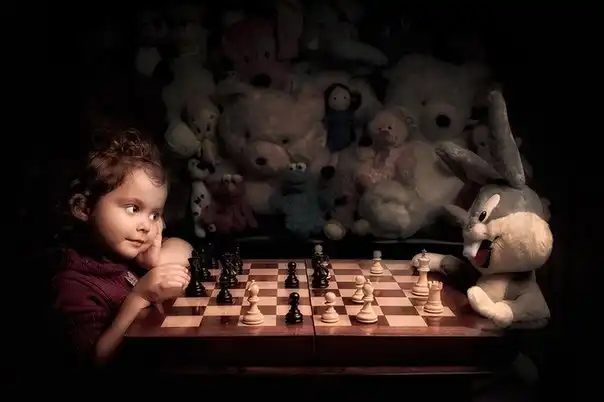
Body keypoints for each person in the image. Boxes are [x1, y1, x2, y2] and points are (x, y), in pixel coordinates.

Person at [50, 127, 192, 370]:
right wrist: (139, 297)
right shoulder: (73, 285)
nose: (146, 226)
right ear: (83, 208)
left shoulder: (128, 253)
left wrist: (154, 263)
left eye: (155, 215)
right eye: (133, 209)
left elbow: (185, 248)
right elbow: (96, 361)